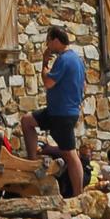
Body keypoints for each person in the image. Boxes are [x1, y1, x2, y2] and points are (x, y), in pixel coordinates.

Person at [21, 26, 85, 197]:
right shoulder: (77, 60)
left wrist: (44, 63)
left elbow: (48, 82)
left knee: (71, 155)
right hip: (58, 111)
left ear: (56, 40)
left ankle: (79, 195)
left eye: (48, 41)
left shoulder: (63, 59)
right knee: (27, 120)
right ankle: (33, 162)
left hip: (62, 114)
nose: (47, 45)